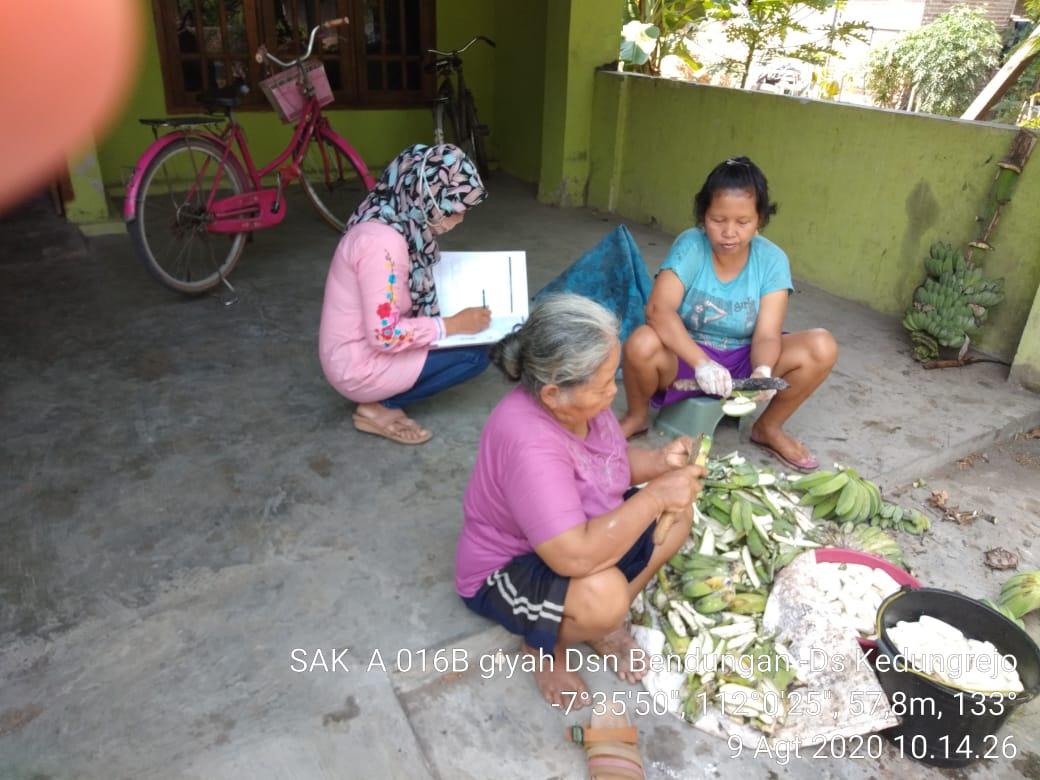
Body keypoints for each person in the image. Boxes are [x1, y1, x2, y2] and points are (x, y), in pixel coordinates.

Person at [455, 294, 704, 708]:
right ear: (552, 394)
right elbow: (572, 557)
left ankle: (600, 627)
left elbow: (609, 462)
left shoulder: (583, 404)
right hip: (509, 567)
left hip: (577, 534)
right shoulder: (529, 441)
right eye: (605, 383)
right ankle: (542, 646)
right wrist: (656, 495)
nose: (614, 391)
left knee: (677, 517)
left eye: (613, 376)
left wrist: (660, 463)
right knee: (604, 597)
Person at [618, 156, 838, 471]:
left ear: (760, 219)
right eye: (718, 220)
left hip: (744, 357)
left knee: (822, 346)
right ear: (702, 216)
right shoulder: (691, 246)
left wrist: (762, 370)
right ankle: (637, 416)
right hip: (686, 355)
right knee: (641, 343)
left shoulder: (772, 260)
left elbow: (766, 334)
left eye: (743, 222)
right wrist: (702, 364)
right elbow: (658, 309)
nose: (729, 232)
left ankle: (768, 428)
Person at [319, 143, 492, 444]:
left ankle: (384, 396)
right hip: (357, 366)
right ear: (425, 197)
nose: (460, 218)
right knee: (474, 356)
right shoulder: (382, 246)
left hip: (356, 349)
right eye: (453, 209)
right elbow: (385, 335)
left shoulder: (392, 216)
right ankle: (378, 407)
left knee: (465, 336)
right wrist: (452, 325)